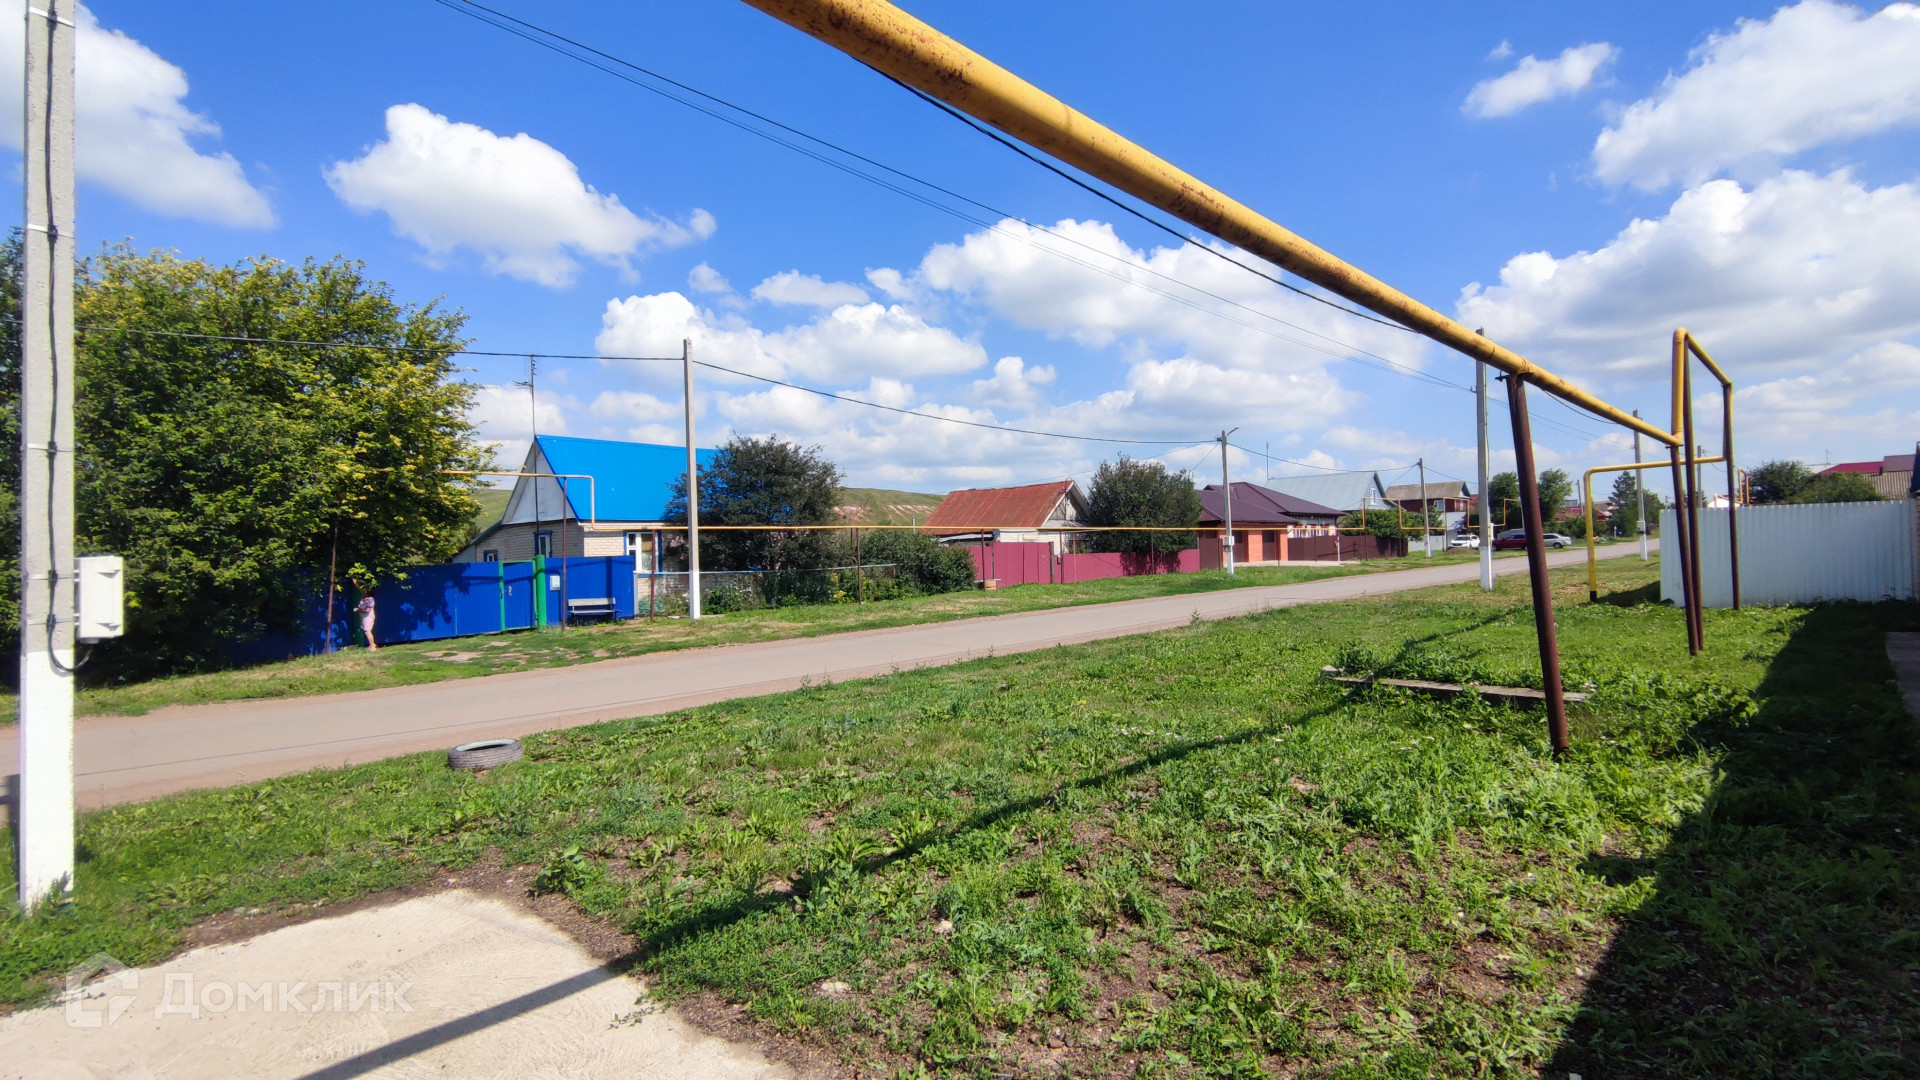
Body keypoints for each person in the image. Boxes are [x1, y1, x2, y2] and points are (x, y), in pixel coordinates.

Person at [354, 583, 378, 651]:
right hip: (364, 617)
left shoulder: (370, 600)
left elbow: (367, 610)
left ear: (367, 592)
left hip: (368, 617)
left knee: (368, 631)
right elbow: (359, 588)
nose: (363, 591)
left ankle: (372, 647)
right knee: (366, 631)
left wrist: (358, 610)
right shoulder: (364, 597)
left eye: (364, 591)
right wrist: (354, 581)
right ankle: (372, 644)